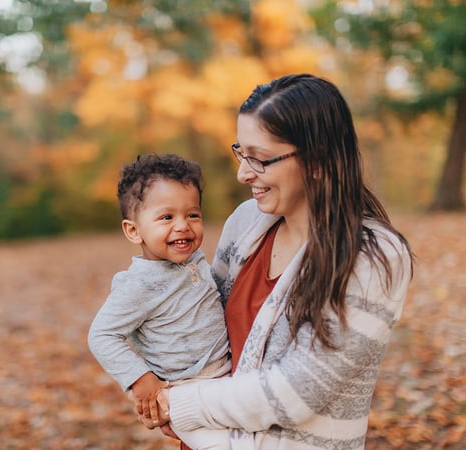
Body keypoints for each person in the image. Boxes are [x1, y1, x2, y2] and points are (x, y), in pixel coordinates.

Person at [150, 74, 414, 450]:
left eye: (259, 159)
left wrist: (177, 403)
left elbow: (297, 393)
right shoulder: (245, 223)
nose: (243, 173)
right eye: (241, 153)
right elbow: (202, 326)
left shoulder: (371, 256)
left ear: (318, 160)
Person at [87, 153, 231, 450]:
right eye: (167, 217)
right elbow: (101, 335)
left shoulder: (196, 263)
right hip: (183, 389)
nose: (183, 226)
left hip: (225, 379)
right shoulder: (139, 284)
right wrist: (140, 379)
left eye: (192, 215)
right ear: (134, 230)